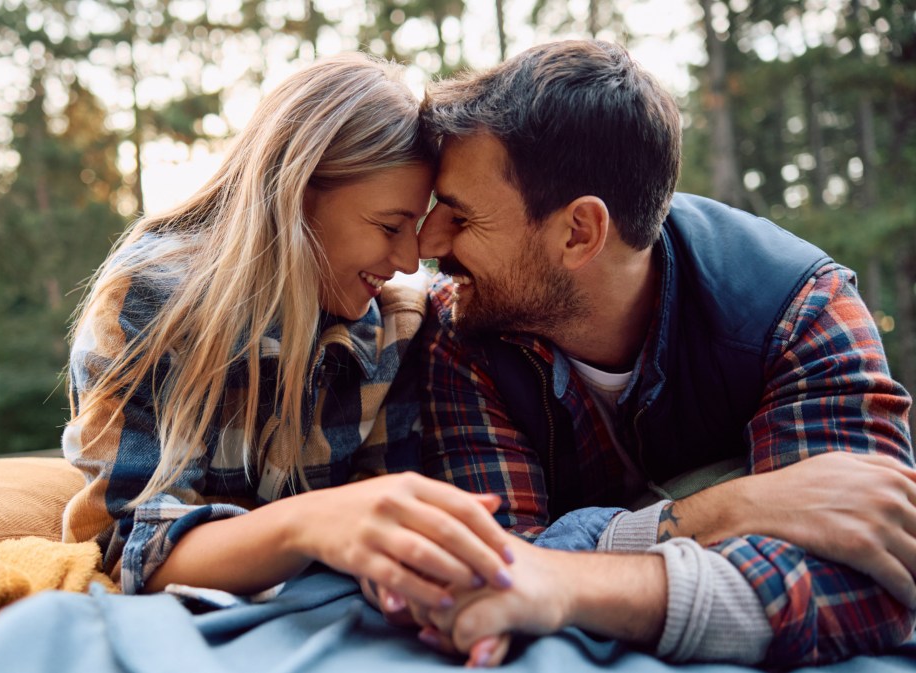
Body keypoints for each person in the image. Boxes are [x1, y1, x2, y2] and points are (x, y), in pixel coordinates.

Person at [410, 40, 916, 667]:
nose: (425, 243)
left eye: (459, 218)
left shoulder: (800, 314)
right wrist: (729, 508)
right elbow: (491, 568)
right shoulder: (463, 327)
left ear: (579, 232)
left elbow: (874, 586)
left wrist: (566, 583)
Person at [59, 53, 516, 607]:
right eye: (390, 225)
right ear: (295, 197)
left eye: (413, 228)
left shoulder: (397, 326)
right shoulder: (149, 305)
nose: (408, 257)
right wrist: (307, 524)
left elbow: (384, 510)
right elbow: (134, 553)